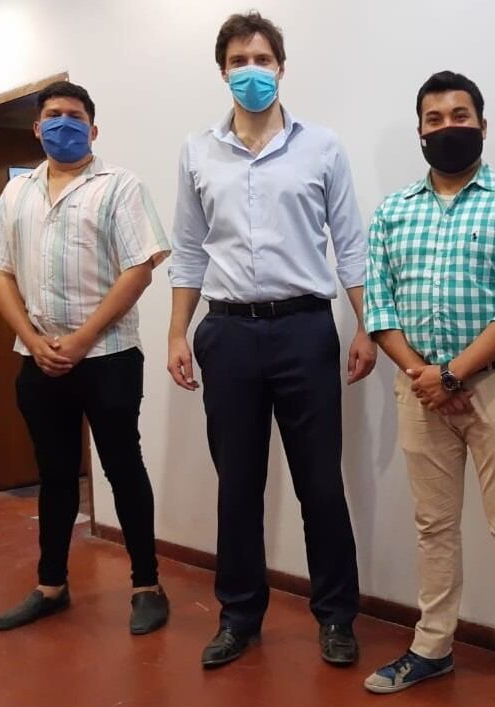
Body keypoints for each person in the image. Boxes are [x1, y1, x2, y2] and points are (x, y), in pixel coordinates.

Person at [166, 11, 375, 668]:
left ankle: (337, 617)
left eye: (262, 59)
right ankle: (239, 616)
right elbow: (189, 250)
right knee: (237, 486)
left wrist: (366, 326)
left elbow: (350, 245)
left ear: (281, 67)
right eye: (238, 61)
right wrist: (178, 330)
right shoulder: (198, 151)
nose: (250, 71)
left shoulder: (323, 148)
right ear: (222, 71)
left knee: (321, 484)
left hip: (306, 330)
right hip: (227, 334)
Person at [362, 71, 495, 707]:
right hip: (418, 391)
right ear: (420, 131)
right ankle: (432, 647)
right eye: (434, 118)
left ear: (482, 123)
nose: (447, 126)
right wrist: (425, 375)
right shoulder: (394, 211)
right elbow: (380, 302)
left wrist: (453, 374)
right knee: (433, 528)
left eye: (459, 115)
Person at [0, 80, 172, 635]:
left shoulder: (119, 187)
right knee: (56, 474)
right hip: (38, 360)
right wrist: (33, 340)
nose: (64, 123)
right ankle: (51, 586)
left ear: (93, 127)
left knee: (123, 469)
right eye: (53, 116)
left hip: (108, 357)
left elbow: (140, 268)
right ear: (37, 128)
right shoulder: (18, 193)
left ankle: (146, 585)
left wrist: (84, 338)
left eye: (75, 115)